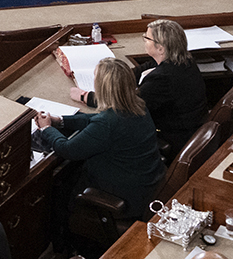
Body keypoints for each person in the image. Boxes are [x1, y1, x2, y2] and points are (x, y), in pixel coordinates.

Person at [32, 57, 166, 225]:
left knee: (60, 184)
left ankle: (62, 242)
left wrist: (46, 129)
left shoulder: (108, 123)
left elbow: (67, 149)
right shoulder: (137, 104)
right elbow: (95, 119)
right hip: (145, 182)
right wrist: (60, 120)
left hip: (123, 195)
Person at [135, 21, 208, 158]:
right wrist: (119, 76)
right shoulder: (185, 60)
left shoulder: (162, 78)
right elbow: (147, 66)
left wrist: (87, 96)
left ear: (161, 48)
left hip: (172, 139)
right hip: (190, 128)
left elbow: (129, 106)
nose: (144, 39)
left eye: (147, 38)